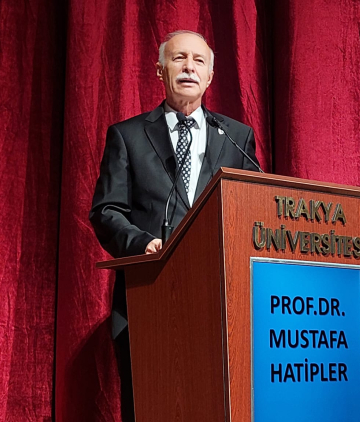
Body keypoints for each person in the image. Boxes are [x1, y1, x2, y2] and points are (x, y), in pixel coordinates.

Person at [89, 30, 259, 421]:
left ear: (210, 76)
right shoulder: (128, 136)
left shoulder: (236, 137)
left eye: (199, 61)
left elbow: (252, 208)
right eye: (179, 58)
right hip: (150, 296)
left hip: (221, 302)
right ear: (159, 70)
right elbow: (106, 210)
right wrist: (143, 243)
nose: (189, 67)